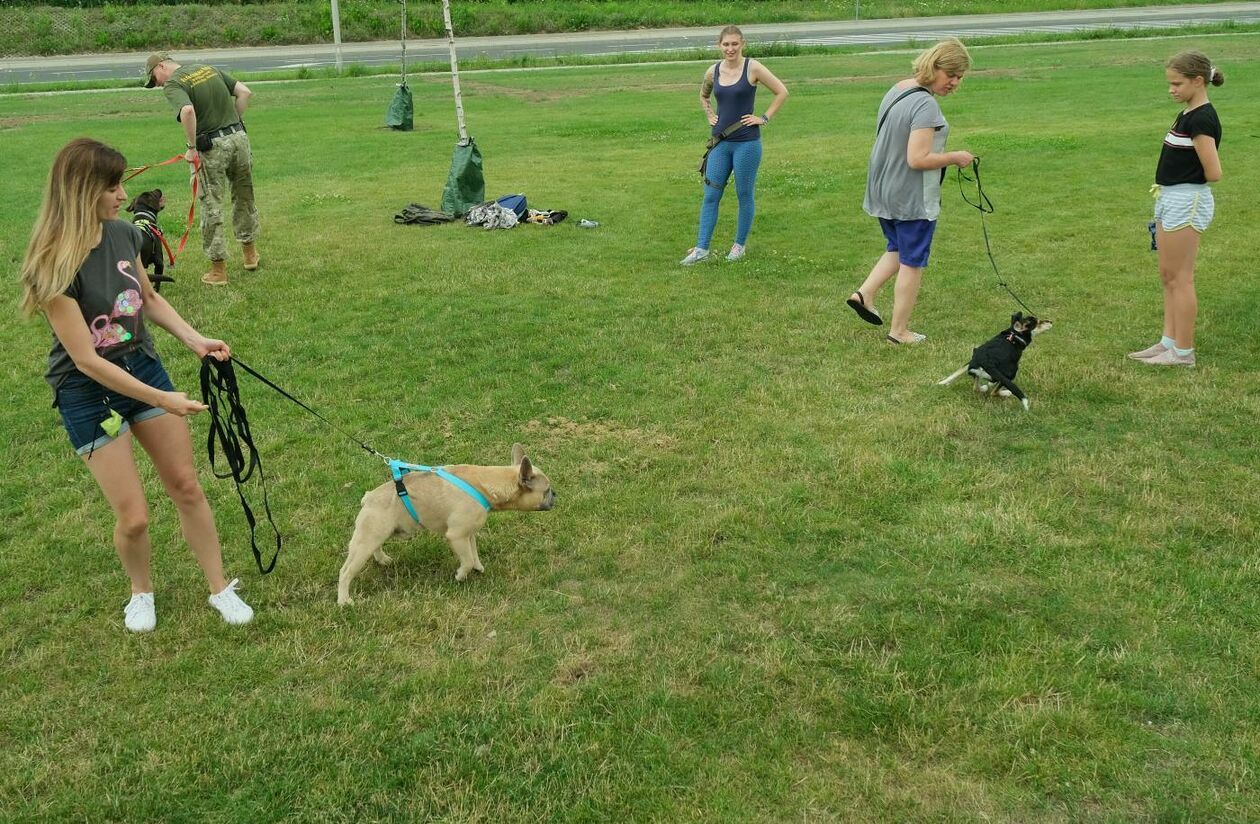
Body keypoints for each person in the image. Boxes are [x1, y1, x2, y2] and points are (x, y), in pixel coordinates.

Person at [19, 138, 254, 633]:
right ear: (82, 192)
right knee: (135, 518)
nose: (122, 195)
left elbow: (147, 298)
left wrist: (195, 340)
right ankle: (140, 592)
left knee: (187, 486)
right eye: (112, 186)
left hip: (142, 368)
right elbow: (86, 360)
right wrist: (162, 399)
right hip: (87, 392)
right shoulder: (51, 266)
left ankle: (219, 588)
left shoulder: (124, 235)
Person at [846, 39, 975, 344]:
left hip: (882, 189)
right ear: (934, 66)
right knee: (913, 260)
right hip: (910, 196)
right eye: (951, 74)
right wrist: (956, 157)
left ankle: (864, 294)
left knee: (898, 247)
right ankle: (899, 331)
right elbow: (918, 159)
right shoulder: (926, 104)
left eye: (960, 76)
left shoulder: (899, 88)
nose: (955, 82)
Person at [1128, 51, 1224, 368]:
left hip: (1187, 200)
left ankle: (1183, 352)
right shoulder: (1186, 113)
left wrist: (1182, 182)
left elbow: (1213, 172)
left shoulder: (1202, 119)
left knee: (1181, 278)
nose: (1171, 89)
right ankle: (1167, 343)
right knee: (1168, 275)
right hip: (1171, 198)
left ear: (1198, 81)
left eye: (1177, 83)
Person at [145, 52, 259, 286]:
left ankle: (218, 271)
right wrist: (233, 122)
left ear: (161, 66)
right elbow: (244, 92)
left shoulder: (174, 82)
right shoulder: (208, 68)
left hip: (211, 147)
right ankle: (250, 255)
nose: (157, 84)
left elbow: (187, 111)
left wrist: (191, 147)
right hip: (239, 139)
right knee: (244, 196)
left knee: (211, 203)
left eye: (154, 78)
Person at [680, 25, 788, 265]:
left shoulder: (753, 67)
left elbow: (781, 91)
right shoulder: (713, 71)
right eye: (726, 44)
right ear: (719, 45)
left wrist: (764, 118)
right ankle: (701, 249)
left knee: (744, 194)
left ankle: (739, 246)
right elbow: (704, 95)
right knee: (711, 195)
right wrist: (709, 114)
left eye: (734, 44)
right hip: (720, 143)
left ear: (742, 44)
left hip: (746, 144)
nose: (730, 49)